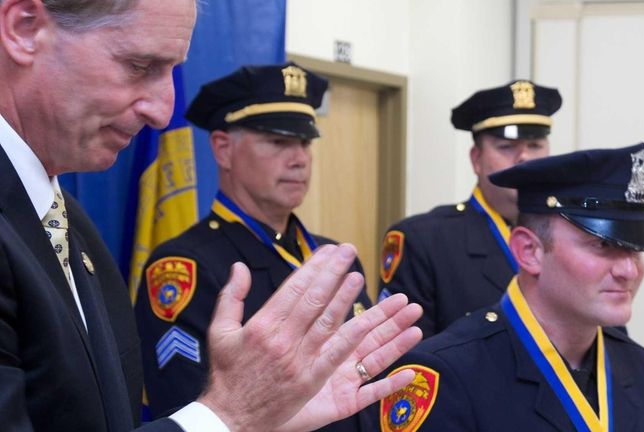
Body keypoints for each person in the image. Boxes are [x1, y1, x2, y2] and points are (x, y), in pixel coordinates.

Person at [0, 1, 422, 431]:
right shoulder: (185, 265)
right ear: (25, 28)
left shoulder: (67, 223)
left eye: (304, 144)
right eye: (139, 65)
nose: (164, 112)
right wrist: (233, 415)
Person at [377, 143, 644, 431]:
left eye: (635, 249)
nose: (629, 270)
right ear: (530, 252)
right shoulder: (448, 375)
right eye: (604, 245)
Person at [134, 63, 373, 429]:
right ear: (223, 149)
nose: (299, 159)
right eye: (278, 142)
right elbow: (186, 412)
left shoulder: (335, 258)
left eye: (305, 143)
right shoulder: (187, 266)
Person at [378, 80, 562, 337]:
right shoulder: (425, 241)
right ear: (476, 159)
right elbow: (406, 361)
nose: (524, 158)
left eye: (535, 145)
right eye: (507, 147)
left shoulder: (573, 235)